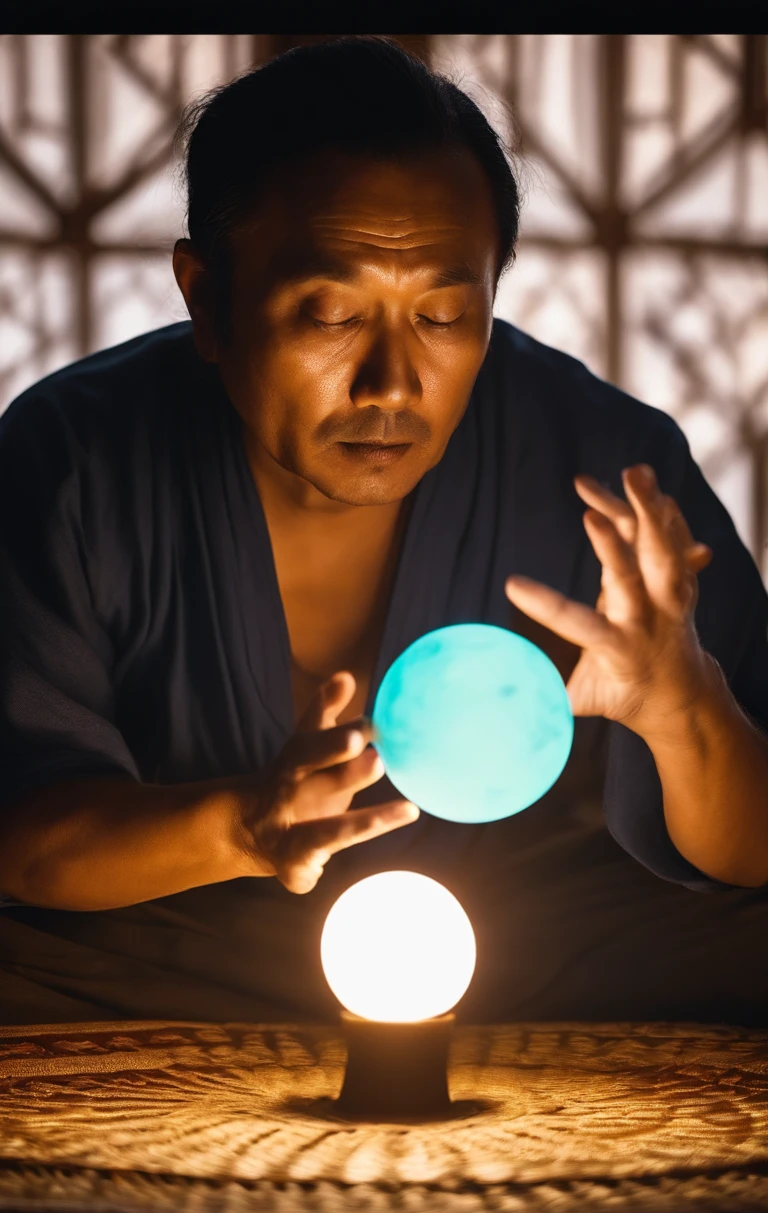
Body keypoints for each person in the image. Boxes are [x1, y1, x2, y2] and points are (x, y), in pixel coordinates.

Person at [1, 36, 768, 1028]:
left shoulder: (606, 469)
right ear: (207, 300)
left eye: (445, 316)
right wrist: (240, 826)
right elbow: (24, 838)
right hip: (176, 947)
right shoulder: (73, 460)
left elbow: (754, 849)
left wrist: (684, 708)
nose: (392, 385)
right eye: (329, 315)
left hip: (528, 951)